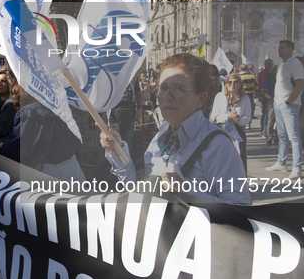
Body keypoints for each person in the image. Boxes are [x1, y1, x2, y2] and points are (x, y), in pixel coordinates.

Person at [100, 53, 251, 205]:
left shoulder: (218, 145)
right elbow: (137, 189)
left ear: (201, 99)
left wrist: (187, 192)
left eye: (179, 89)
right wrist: (117, 149)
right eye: (163, 88)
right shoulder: (160, 137)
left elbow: (240, 207)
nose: (167, 96)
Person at [2, 87, 85, 181]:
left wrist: (3, 147)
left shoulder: (29, 112)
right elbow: (76, 142)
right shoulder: (62, 109)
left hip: (48, 172)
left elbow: (18, 148)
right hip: (73, 168)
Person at [265, 40, 304, 179]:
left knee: (294, 136)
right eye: (279, 47)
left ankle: (297, 167)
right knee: (282, 135)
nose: (279, 49)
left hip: (289, 104)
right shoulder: (283, 64)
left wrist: (289, 100)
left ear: (290, 49)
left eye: (282, 48)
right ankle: (281, 162)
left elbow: (300, 84)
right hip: (279, 103)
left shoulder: (295, 63)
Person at [210, 73, 252, 172]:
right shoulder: (220, 96)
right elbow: (214, 117)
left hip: (238, 131)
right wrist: (228, 117)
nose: (232, 85)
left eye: (235, 82)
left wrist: (238, 119)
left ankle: (241, 183)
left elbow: (247, 118)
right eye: (230, 82)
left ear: (240, 84)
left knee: (240, 157)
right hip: (222, 130)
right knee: (222, 159)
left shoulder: (245, 99)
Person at [261, 65, 279, 146]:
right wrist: (270, 98)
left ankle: (277, 137)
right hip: (272, 101)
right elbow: (263, 90)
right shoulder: (270, 78)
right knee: (270, 120)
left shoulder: (282, 78)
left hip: (281, 101)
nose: (276, 71)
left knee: (280, 121)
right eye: (275, 70)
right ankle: (269, 137)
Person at [257, 59, 274, 138]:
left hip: (262, 95)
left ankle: (262, 131)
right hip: (270, 96)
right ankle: (265, 132)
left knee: (264, 114)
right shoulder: (270, 73)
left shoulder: (260, 73)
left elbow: (259, 84)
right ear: (270, 65)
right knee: (269, 116)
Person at [238, 64, 258, 129]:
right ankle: (248, 124)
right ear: (247, 69)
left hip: (240, 94)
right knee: (249, 109)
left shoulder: (238, 76)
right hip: (250, 94)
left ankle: (242, 123)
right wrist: (257, 93)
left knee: (241, 109)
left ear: (240, 69)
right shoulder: (252, 76)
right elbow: (256, 85)